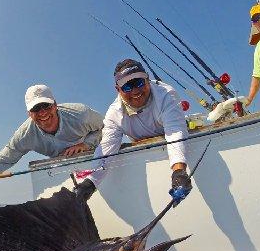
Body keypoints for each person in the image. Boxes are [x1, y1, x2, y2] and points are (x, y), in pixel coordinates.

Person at [75, 59, 192, 206]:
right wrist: (89, 184)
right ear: (118, 90)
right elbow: (106, 149)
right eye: (127, 86)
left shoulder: (166, 94)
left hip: (173, 153)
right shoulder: (114, 114)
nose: (135, 91)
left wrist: (179, 172)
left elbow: (175, 132)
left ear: (148, 79)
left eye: (139, 82)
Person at [0, 84, 104, 186]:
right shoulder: (25, 134)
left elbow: (108, 127)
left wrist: (86, 144)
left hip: (97, 159)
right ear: (29, 113)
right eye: (36, 108)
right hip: (63, 170)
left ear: (55, 105)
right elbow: (4, 158)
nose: (42, 113)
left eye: (46, 106)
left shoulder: (81, 114)